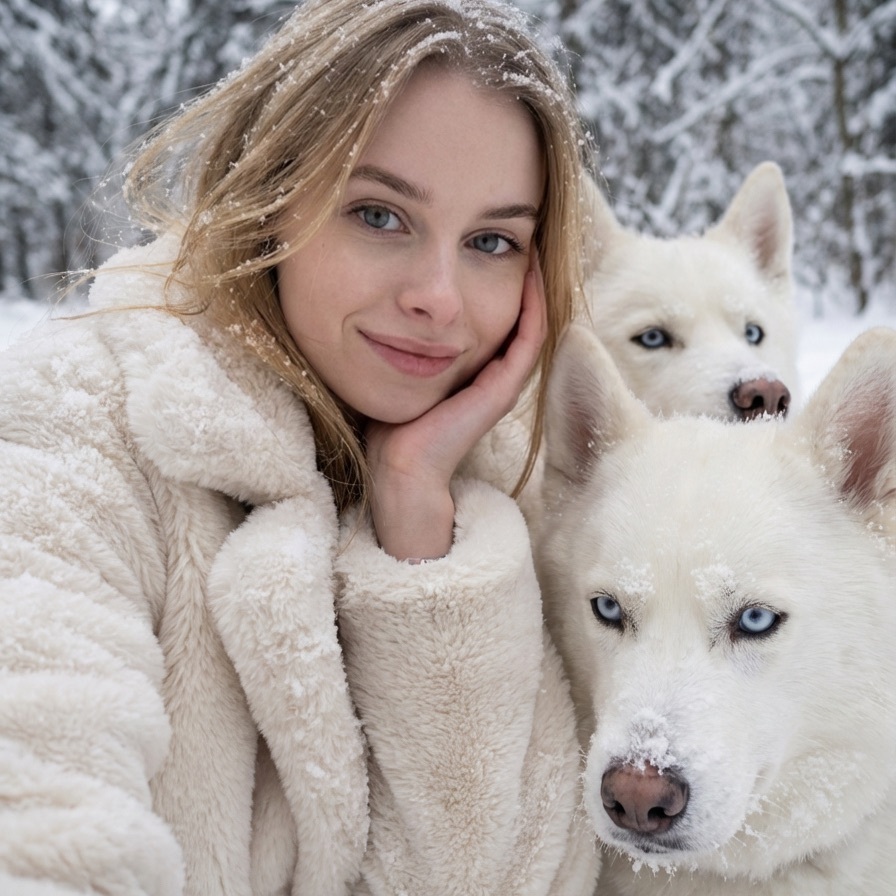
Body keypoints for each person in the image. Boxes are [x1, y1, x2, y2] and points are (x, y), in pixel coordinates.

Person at [0, 1, 600, 893]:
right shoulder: (70, 426)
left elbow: (508, 874)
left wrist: (419, 533)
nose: (439, 296)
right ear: (274, 195)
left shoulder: (507, 495)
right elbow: (41, 809)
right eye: (380, 215)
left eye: (491, 241)